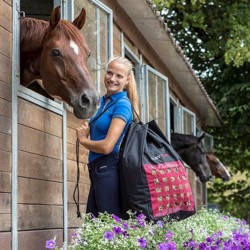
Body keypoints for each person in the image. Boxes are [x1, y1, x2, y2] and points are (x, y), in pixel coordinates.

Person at [77, 56, 139, 217]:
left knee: (109, 226)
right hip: (97, 169)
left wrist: (84, 140)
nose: (112, 79)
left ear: (127, 80)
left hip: (108, 168)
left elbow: (107, 146)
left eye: (119, 76)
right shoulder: (103, 101)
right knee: (95, 224)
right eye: (110, 73)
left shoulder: (122, 105)